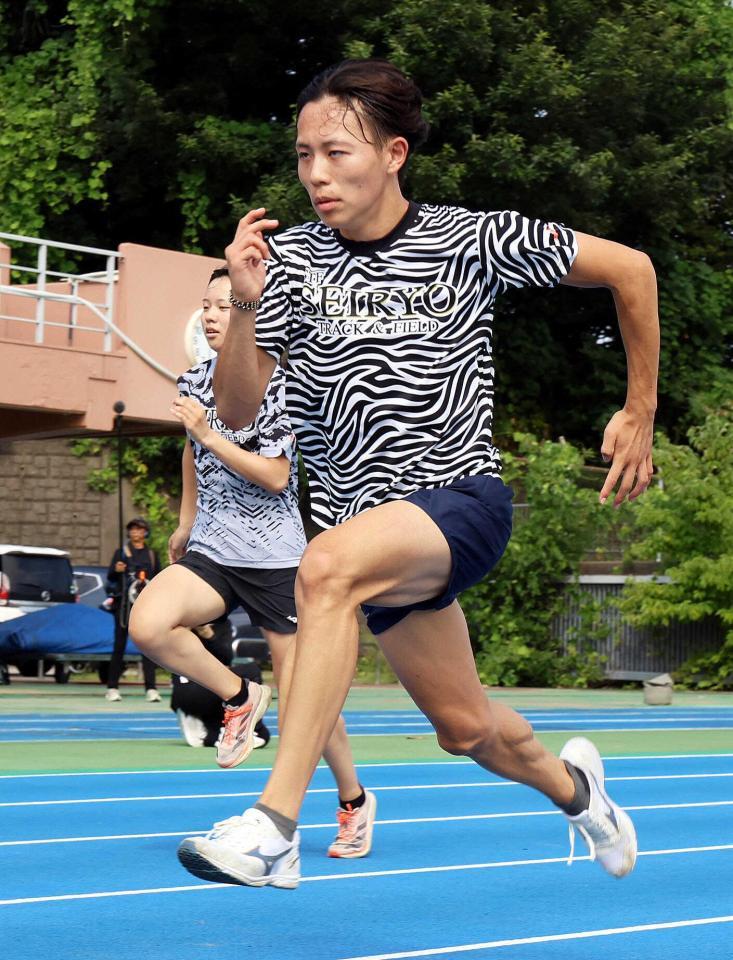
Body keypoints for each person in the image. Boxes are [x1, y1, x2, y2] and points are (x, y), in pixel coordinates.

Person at [176, 58, 659, 891]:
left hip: (458, 500)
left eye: (337, 153)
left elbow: (632, 269)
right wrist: (247, 306)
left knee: (322, 572)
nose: (316, 175)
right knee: (466, 729)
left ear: (394, 152)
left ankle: (275, 828)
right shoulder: (286, 264)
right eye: (302, 157)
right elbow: (242, 406)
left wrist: (639, 410)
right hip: (363, 533)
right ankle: (582, 796)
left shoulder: (473, 239)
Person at [129, 267, 377, 858]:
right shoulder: (194, 379)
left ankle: (353, 800)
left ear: (251, 318)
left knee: (305, 704)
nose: (213, 315)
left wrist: (211, 436)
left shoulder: (280, 385)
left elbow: (275, 476)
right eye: (207, 305)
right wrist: (186, 520)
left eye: (225, 305)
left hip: (275, 561)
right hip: (214, 549)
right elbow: (191, 455)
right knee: (147, 623)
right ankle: (238, 696)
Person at [171, 619, 270, 750]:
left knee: (263, 736)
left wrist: (208, 634)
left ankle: (220, 732)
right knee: (250, 672)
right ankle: (202, 727)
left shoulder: (222, 624)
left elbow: (226, 658)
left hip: (212, 687)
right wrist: (185, 632)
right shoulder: (176, 625)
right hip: (188, 689)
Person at [104, 517, 161, 702]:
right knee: (119, 646)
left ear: (145, 532)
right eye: (132, 530)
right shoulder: (120, 552)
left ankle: (151, 688)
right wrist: (117, 569)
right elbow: (110, 577)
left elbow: (159, 578)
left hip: (146, 606)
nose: (135, 533)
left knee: (149, 646)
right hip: (124, 607)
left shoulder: (152, 554)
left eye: (139, 529)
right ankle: (112, 687)